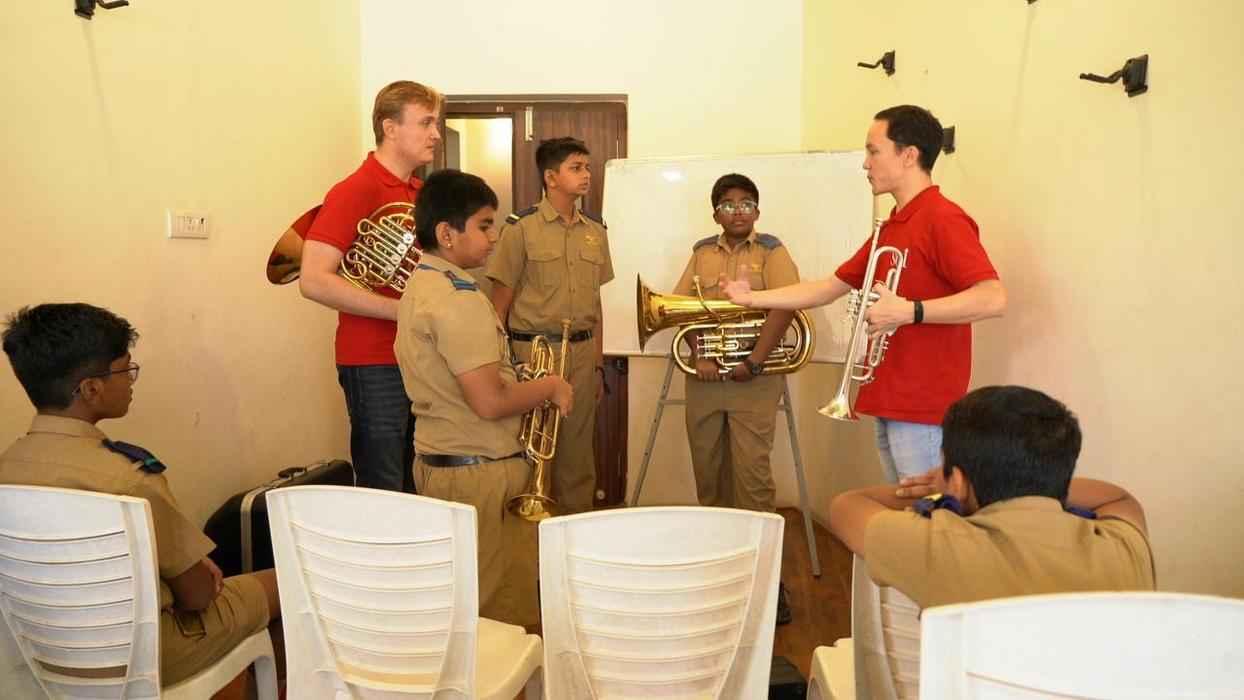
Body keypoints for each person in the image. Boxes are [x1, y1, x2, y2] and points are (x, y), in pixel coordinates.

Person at [721, 105, 1006, 482]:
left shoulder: (942, 217)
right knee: (904, 508)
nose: (865, 164)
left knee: (925, 511)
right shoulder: (892, 226)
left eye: (874, 151)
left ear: (908, 155)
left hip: (922, 403)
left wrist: (910, 311)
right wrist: (752, 299)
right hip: (890, 395)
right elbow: (828, 288)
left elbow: (992, 297)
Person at [0, 304, 282, 686]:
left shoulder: (8, 467)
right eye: (125, 370)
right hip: (144, 656)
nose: (131, 380)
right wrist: (199, 575)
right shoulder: (127, 478)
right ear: (91, 389)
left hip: (42, 653)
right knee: (284, 582)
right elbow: (198, 596)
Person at [395, 169, 573, 627]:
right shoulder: (459, 298)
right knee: (503, 613)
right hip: (482, 474)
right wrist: (550, 386)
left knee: (463, 601)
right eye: (484, 225)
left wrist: (520, 378)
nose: (494, 237)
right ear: (446, 233)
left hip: (442, 462)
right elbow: (490, 403)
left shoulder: (421, 283)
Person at [828, 385, 1154, 610]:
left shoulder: (938, 547)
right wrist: (1041, 481)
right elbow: (1120, 499)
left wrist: (939, 487)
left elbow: (846, 505)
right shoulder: (1123, 549)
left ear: (957, 481)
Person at [300, 80, 443, 492]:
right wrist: (401, 310)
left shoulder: (420, 194)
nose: (436, 133)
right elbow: (313, 280)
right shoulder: (355, 189)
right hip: (373, 359)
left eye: (436, 123)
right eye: (426, 122)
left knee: (418, 480)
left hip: (419, 355)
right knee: (383, 485)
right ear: (390, 128)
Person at [672, 173, 801, 624]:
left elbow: (785, 305)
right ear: (716, 214)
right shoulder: (701, 253)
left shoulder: (772, 251)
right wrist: (701, 354)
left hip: (754, 380)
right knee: (709, 478)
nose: (738, 211)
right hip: (706, 380)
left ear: (757, 211)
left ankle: (768, 585)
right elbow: (681, 308)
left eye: (747, 203)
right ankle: (721, 576)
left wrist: (756, 362)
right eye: (728, 205)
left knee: (753, 483)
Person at [485, 137, 613, 513]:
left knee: (578, 453)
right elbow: (498, 307)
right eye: (576, 167)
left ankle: (574, 534)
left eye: (587, 167)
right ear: (551, 177)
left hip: (582, 353)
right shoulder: (520, 228)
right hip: (533, 353)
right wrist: (502, 367)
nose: (586, 174)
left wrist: (598, 365)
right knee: (530, 448)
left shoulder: (596, 230)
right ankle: (528, 537)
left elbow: (596, 304)